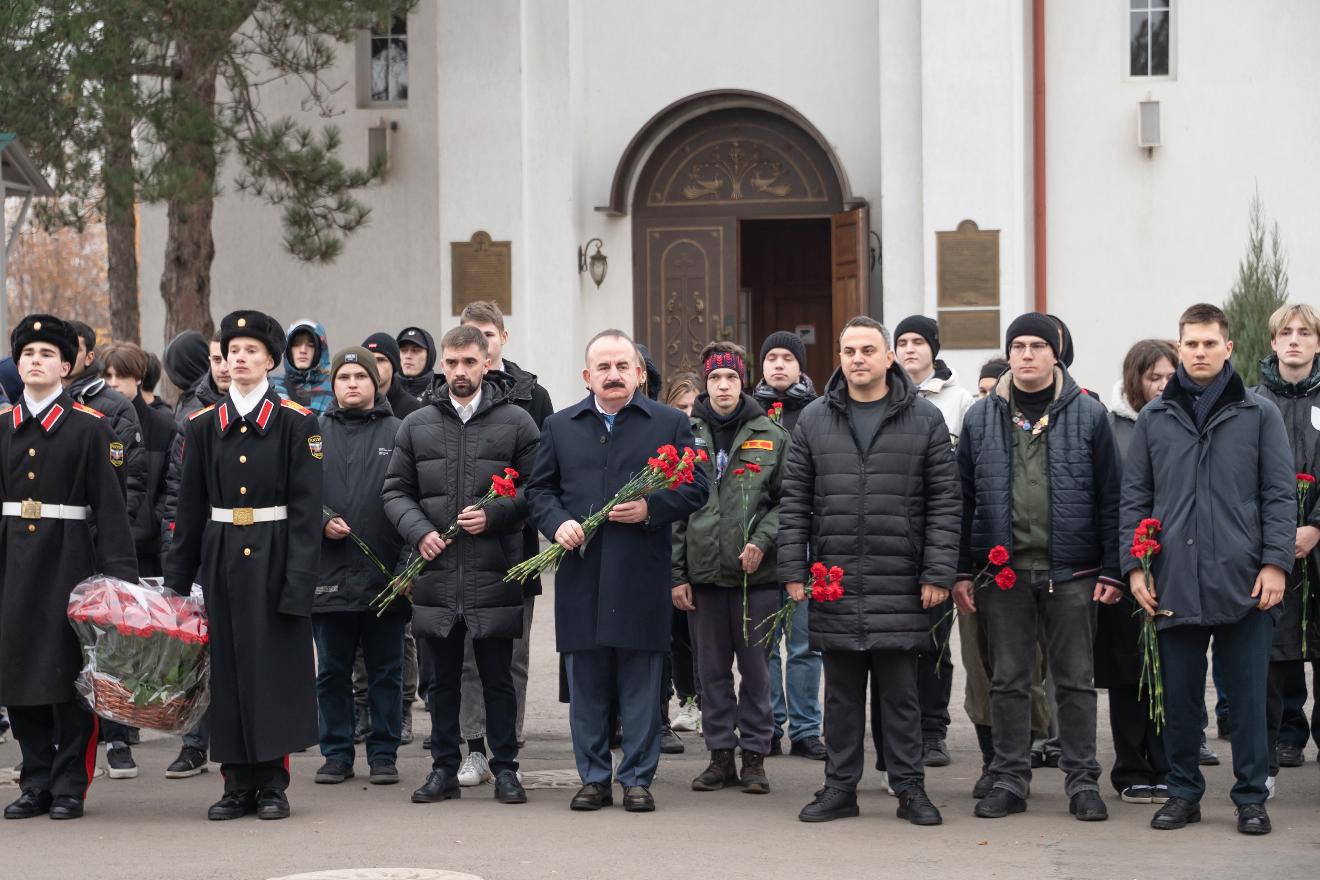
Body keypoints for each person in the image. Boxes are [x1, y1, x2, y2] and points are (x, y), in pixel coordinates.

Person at [1121, 302, 1294, 835]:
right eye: (1190, 344)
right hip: (1173, 579)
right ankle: (1182, 794)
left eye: (1209, 343)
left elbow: (1278, 495)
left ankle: (1249, 797)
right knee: (1180, 701)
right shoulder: (1155, 418)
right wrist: (1135, 568)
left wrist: (1275, 564)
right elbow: (1135, 498)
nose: (1199, 352)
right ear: (1179, 349)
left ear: (1229, 348)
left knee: (1246, 700)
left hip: (1244, 580)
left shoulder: (1258, 413)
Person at [786, 316, 957, 827]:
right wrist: (794, 569)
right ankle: (839, 789)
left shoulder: (923, 418)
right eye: (848, 351)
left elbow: (946, 502)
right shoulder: (814, 419)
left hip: (899, 579)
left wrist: (938, 573)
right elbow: (794, 501)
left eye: (867, 350)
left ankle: (910, 789)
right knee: (839, 696)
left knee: (901, 696)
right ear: (838, 358)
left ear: (888, 358)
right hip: (834, 578)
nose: (857, 359)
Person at [527, 329, 708, 813]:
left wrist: (651, 507)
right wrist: (558, 522)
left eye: (622, 366)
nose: (613, 375)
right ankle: (593, 778)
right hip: (581, 574)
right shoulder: (562, 426)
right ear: (587, 376)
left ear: (639, 373)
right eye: (603, 368)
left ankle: (636, 779)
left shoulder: (669, 424)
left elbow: (697, 488)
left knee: (641, 685)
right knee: (586, 685)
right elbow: (538, 491)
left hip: (640, 574)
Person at [955, 312, 1123, 822]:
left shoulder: (1089, 415)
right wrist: (962, 570)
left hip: (1071, 573)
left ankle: (1081, 780)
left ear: (1056, 354)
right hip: (1001, 574)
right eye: (1018, 346)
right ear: (1009, 354)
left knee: (1075, 679)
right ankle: (1009, 777)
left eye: (1037, 346)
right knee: (1008, 679)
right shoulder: (981, 417)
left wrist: (1113, 570)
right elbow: (961, 499)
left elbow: (1112, 498)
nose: (1027, 354)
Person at [164, 309, 323, 821]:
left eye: (252, 350)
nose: (241, 359)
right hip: (222, 556)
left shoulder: (298, 423)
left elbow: (306, 511)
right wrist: (177, 583)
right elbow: (188, 510)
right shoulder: (204, 425)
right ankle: (236, 782)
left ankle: (273, 782)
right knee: (228, 671)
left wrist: (300, 581)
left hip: (275, 555)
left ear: (272, 361)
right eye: (233, 351)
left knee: (272, 670)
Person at [382, 325, 540, 806]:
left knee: (497, 677)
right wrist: (420, 531)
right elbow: (395, 491)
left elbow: (537, 490)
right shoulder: (417, 423)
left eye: (469, 362)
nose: (459, 371)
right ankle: (443, 768)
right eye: (451, 363)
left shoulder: (516, 422)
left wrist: (494, 514)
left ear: (486, 363)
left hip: (495, 568)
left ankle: (506, 767)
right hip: (437, 571)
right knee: (442, 680)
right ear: (442, 366)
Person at [0, 314, 138, 820]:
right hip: (13, 563)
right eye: (27, 355)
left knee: (70, 676)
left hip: (70, 562)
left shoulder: (89, 427)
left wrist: (118, 581)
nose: (35, 362)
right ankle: (34, 780)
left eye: (45, 355)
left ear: (66, 365)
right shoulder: (3, 427)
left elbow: (110, 508)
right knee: (18, 675)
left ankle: (68, 784)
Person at [444, 301, 554, 783]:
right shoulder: (440, 401)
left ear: (501, 341)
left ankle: (508, 739)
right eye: (469, 340)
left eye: (486, 336)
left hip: (512, 547)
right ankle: (474, 747)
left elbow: (542, 476)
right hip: (456, 552)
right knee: (467, 654)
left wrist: (501, 513)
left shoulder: (532, 398)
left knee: (511, 654)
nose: (479, 347)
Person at [672, 342, 787, 794]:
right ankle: (721, 757)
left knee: (756, 671)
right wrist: (678, 576)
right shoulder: (687, 434)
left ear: (743, 382)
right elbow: (677, 512)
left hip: (754, 579)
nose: (723, 386)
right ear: (706, 382)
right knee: (711, 673)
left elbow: (787, 502)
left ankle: (755, 757)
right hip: (703, 578)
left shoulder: (771, 434)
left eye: (732, 379)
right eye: (716, 378)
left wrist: (762, 541)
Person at [312, 348, 407, 787]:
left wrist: (408, 567)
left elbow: (415, 497)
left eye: (360, 376)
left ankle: (384, 753)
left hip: (385, 575)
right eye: (344, 376)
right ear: (333, 385)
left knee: (386, 669)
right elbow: (297, 492)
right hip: (329, 575)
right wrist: (322, 519)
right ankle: (336, 752)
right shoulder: (312, 432)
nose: (352, 383)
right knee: (332, 670)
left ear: (375, 382)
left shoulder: (400, 430)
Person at [63, 320, 148, 778]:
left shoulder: (113, 408)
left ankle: (117, 739)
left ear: (85, 355)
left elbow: (128, 481)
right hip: (60, 547)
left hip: (99, 542)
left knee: (108, 646)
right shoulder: (47, 404)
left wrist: (107, 539)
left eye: (68, 348)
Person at [892, 315, 975, 769]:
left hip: (936, 540)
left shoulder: (960, 402)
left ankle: (932, 729)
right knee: (895, 644)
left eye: (918, 342)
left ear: (934, 349)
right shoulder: (883, 395)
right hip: (893, 542)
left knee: (935, 643)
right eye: (901, 341)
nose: (909, 349)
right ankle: (898, 730)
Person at [1100, 339, 1177, 804]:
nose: (1164, 385)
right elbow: (1107, 500)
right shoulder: (1109, 426)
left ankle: (1168, 763)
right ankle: (1131, 766)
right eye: (1154, 377)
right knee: (1128, 673)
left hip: (1175, 565)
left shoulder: (1183, 421)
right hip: (1125, 566)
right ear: (1135, 380)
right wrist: (1119, 567)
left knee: (1170, 669)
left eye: (1171, 375)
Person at [1252, 304, 1320, 786]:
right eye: (1286, 333)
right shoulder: (1252, 402)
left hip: (1318, 542)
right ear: (1272, 343)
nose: (1294, 341)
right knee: (1272, 655)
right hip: (1269, 548)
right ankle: (1276, 750)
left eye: (1305, 333)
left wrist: (1315, 524)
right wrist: (1277, 534)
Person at [751, 330, 826, 761]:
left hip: (808, 539)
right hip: (762, 543)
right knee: (765, 643)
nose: (779, 364)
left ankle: (805, 728)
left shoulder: (818, 413)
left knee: (804, 642)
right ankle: (770, 725)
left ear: (800, 366)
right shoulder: (748, 413)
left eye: (787, 358)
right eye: (772, 357)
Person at [160, 331, 232, 780]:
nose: (224, 366)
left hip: (245, 542)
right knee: (197, 647)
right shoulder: (192, 410)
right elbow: (177, 488)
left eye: (232, 357)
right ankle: (193, 743)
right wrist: (176, 554)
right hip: (203, 543)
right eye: (216, 358)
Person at [101, 342, 180, 578]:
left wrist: (152, 522)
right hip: (100, 544)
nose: (113, 382)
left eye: (121, 375)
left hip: (146, 550)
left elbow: (172, 485)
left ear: (138, 377)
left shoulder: (163, 427)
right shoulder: (93, 423)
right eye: (107, 375)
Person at [271, 320, 333, 416]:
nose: (303, 350)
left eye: (310, 345)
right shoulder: (272, 385)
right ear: (287, 349)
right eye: (296, 344)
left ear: (320, 350)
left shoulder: (335, 387)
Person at [362, 332, 421, 418]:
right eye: (368, 360)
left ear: (394, 366)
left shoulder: (413, 408)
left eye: (381, 360)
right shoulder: (351, 402)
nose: (374, 366)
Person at [396, 326, 438, 400]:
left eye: (415, 351)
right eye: (403, 350)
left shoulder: (440, 393)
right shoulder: (386, 390)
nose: (408, 356)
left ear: (429, 356)